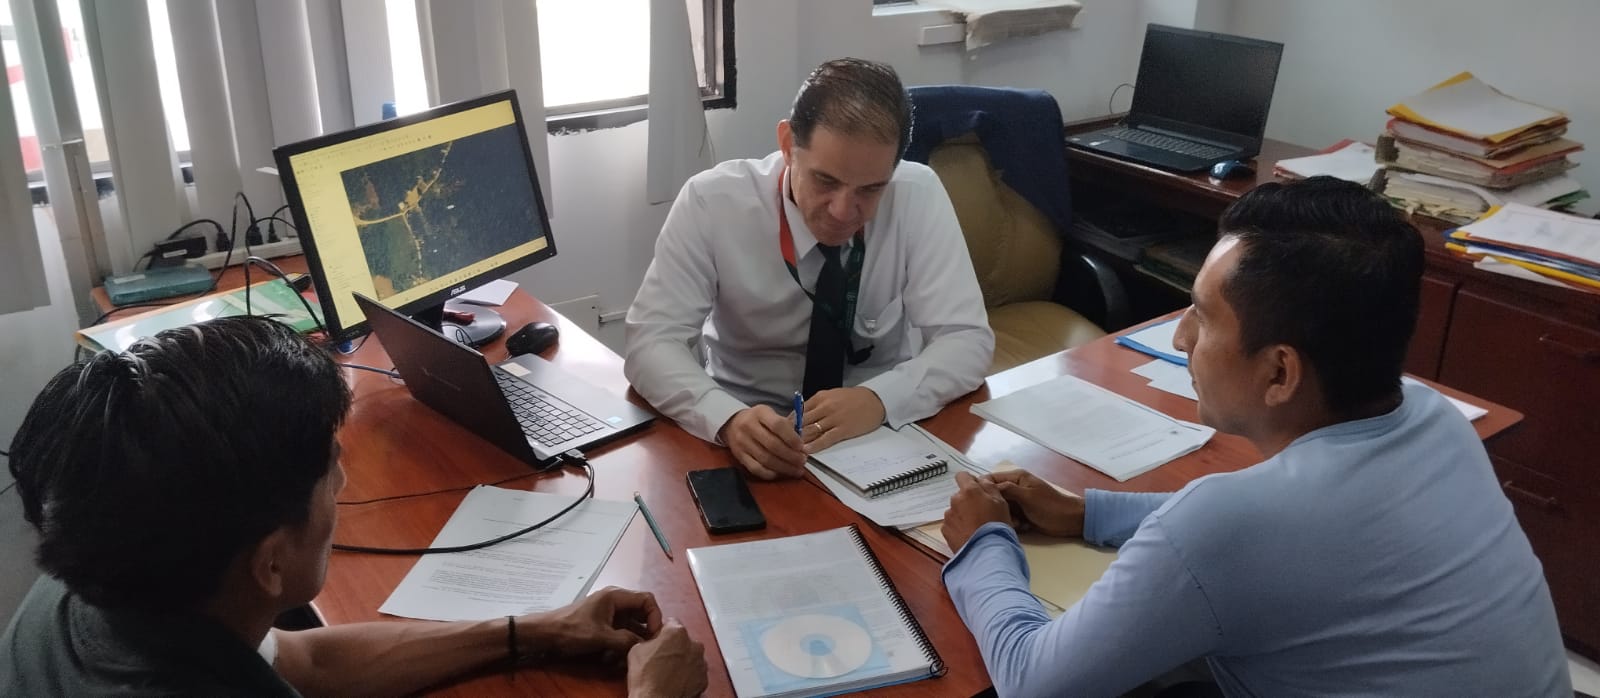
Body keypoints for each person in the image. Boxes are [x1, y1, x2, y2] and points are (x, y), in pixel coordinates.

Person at [939, 177, 1572, 697]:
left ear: (1279, 373)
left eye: (1202, 315)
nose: (1181, 337)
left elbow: (1032, 681)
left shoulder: (1229, 522)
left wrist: (983, 543)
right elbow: (1280, 533)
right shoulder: (1437, 420)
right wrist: (1089, 512)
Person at [0, 317, 708, 697]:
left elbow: (305, 663)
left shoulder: (99, 573)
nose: (341, 475)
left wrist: (534, 630)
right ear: (270, 564)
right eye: (328, 467)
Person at [625, 57, 994, 480]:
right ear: (787, 145)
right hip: (748, 428)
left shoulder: (917, 194)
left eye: (870, 190)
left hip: (875, 433)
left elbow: (967, 339)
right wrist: (725, 417)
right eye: (826, 181)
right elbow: (650, 342)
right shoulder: (713, 204)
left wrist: (881, 398)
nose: (843, 211)